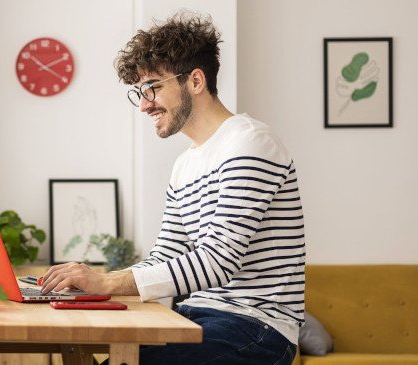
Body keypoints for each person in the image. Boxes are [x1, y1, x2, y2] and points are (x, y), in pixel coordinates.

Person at [41, 11, 304, 365]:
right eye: (140, 92)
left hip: (255, 329)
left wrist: (106, 283)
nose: (146, 104)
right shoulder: (185, 165)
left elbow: (218, 261)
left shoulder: (250, 143)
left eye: (153, 88)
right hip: (196, 316)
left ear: (195, 80)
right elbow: (165, 255)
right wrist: (92, 285)